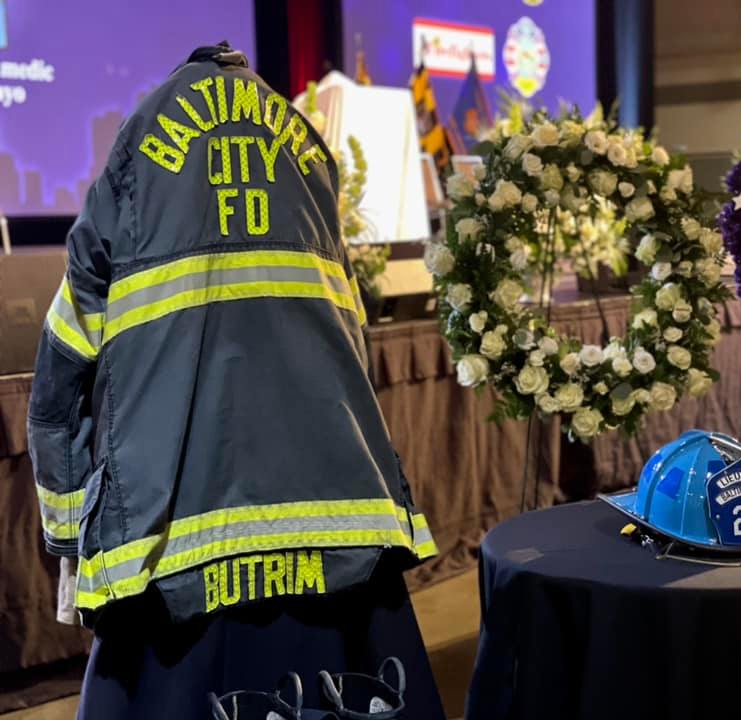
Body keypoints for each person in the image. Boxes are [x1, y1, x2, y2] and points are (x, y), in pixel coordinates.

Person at [27, 42, 444, 719]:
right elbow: (349, 341)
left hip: (175, 550)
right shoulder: (307, 148)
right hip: (336, 526)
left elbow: (58, 380)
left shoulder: (137, 149)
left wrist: (72, 538)